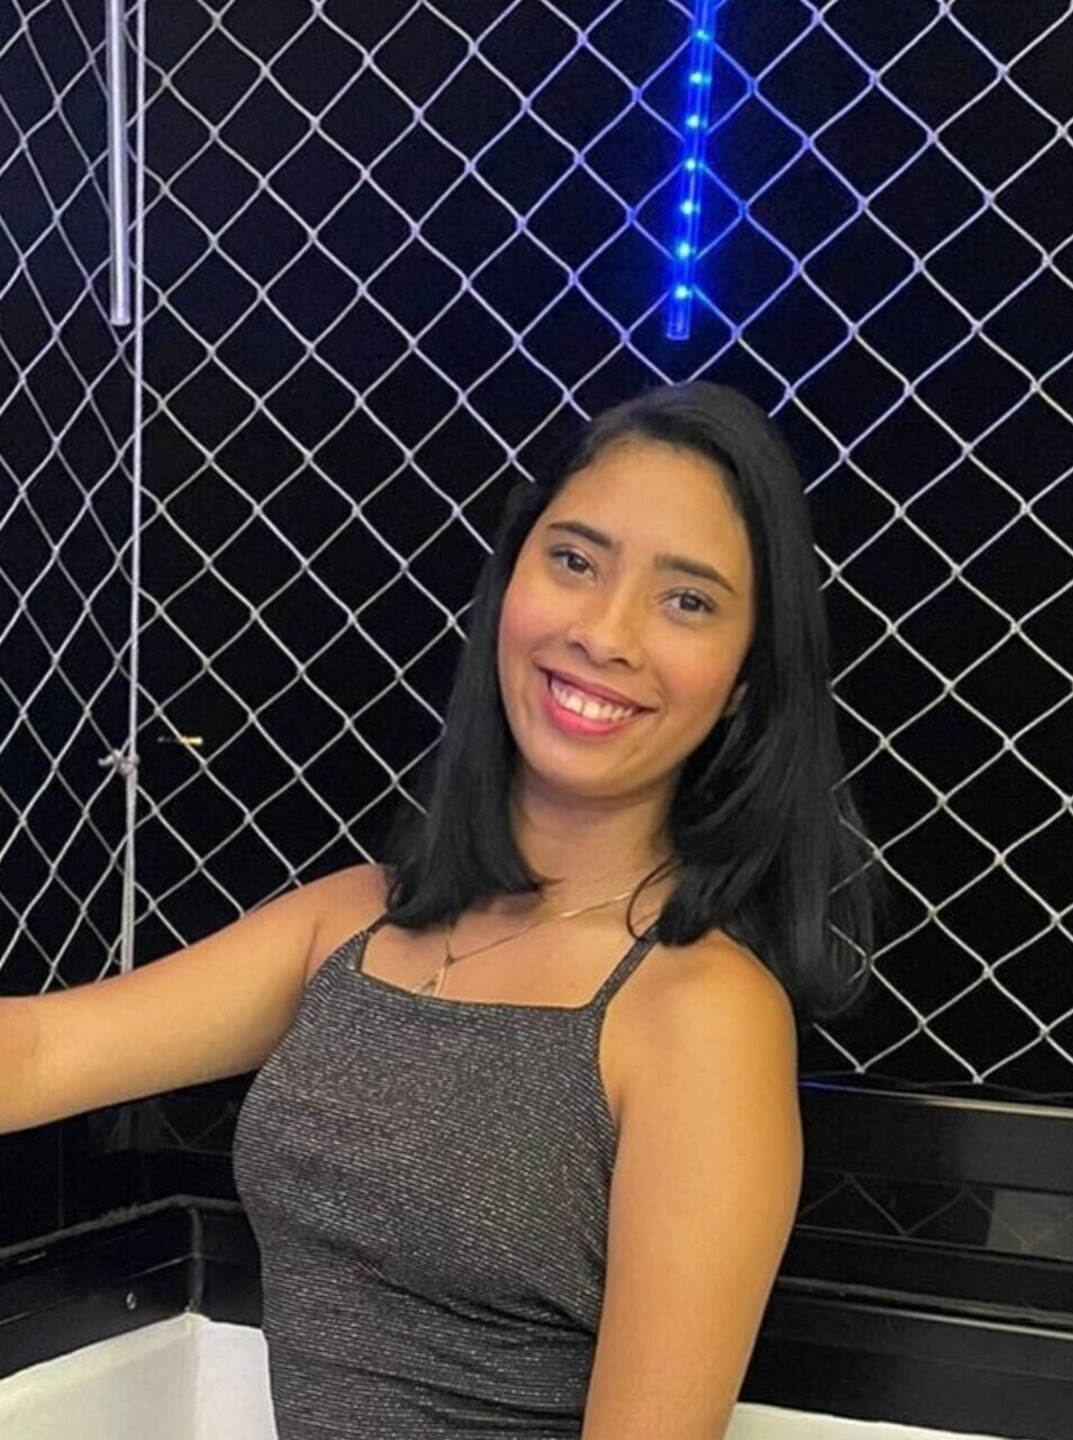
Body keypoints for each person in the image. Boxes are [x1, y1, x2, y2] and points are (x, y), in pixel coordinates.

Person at [1, 381, 873, 1439]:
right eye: (576, 561)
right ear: (511, 583)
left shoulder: (702, 1015)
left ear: (743, 679)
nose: (606, 632)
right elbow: (40, 1052)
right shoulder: (355, 921)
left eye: (686, 600)